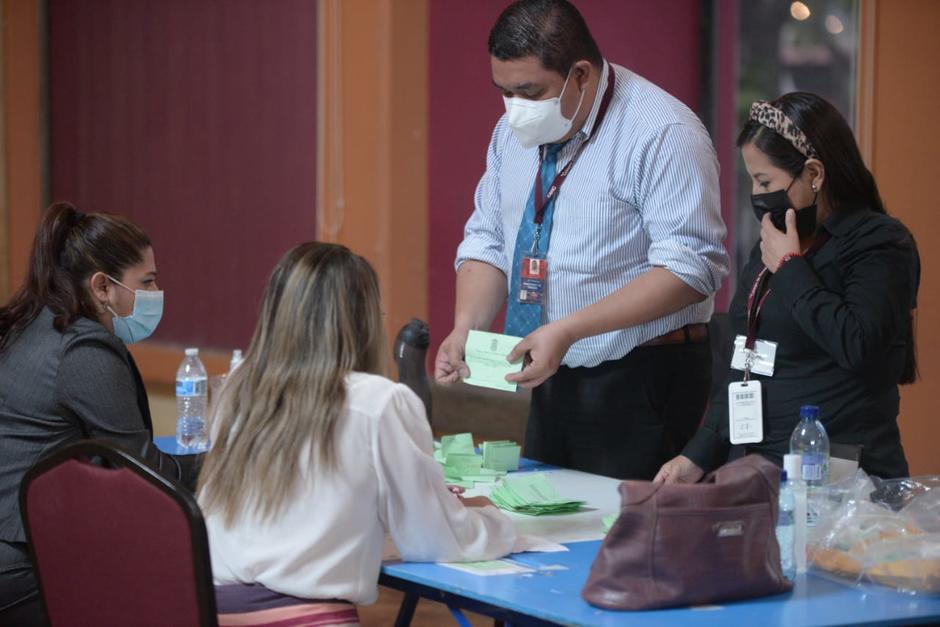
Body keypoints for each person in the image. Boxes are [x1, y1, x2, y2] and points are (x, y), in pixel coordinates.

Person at [434, 0, 729, 480]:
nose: (515, 110)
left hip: (638, 374)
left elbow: (692, 268)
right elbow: (487, 239)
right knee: (533, 516)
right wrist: (467, 326)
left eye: (530, 92)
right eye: (504, 93)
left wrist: (569, 330)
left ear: (581, 75)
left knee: (619, 536)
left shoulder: (661, 131)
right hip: (538, 369)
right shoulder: (510, 134)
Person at [197, 243, 515, 617]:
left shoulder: (237, 387)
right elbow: (436, 539)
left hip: (206, 609)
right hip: (304, 617)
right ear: (364, 321)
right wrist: (495, 520)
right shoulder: (380, 402)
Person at [655, 92, 919, 484]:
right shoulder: (776, 240)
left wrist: (790, 267)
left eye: (765, 180)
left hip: (845, 476)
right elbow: (741, 357)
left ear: (813, 174)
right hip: (759, 469)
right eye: (752, 181)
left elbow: (859, 344)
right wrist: (698, 454)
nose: (757, 195)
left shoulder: (879, 242)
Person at [0, 202, 198, 626]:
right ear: (102, 287)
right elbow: (144, 471)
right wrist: (224, 461)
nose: (156, 292)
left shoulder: (35, 323)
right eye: (146, 282)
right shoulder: (84, 348)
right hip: (21, 565)